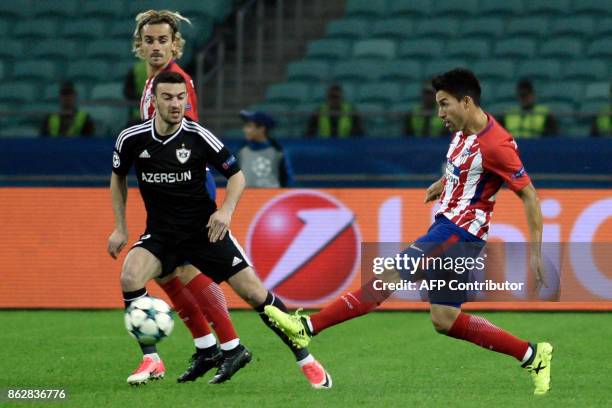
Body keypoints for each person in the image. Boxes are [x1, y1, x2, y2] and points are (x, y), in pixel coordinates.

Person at [265, 69, 553, 395]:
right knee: (444, 319)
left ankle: (307, 327)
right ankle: (532, 354)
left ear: (467, 101)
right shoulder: (463, 132)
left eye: (445, 104)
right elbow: (469, 170)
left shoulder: (496, 144)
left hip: (459, 233)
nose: (440, 113)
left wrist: (535, 254)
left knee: (389, 276)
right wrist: (443, 183)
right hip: (448, 226)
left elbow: (529, 193)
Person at [108, 71, 332, 389]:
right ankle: (152, 358)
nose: (175, 104)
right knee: (130, 276)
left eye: (180, 98)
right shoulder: (132, 138)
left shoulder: (199, 136)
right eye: (168, 97)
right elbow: (117, 176)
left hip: (205, 232)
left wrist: (225, 212)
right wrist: (120, 227)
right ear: (153, 101)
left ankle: (307, 360)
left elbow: (236, 176)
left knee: (255, 294)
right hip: (161, 234)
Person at [119, 9, 238, 385]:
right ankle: (208, 347)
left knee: (184, 270)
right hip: (169, 187)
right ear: (139, 46)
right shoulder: (152, 81)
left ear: (176, 45)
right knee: (170, 271)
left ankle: (229, 346)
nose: (156, 47)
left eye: (162, 41)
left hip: (188, 185)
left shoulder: (175, 82)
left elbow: (186, 137)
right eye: (149, 40)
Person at [237, 110, 294, 187]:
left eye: (249, 126)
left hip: (271, 198)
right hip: (247, 198)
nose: (245, 130)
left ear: (261, 129)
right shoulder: (242, 151)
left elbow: (288, 181)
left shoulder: (278, 152)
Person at [123, 60, 148, 126]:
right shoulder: (166, 67)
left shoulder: (136, 68)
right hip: (157, 116)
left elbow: (127, 91)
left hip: (138, 114)